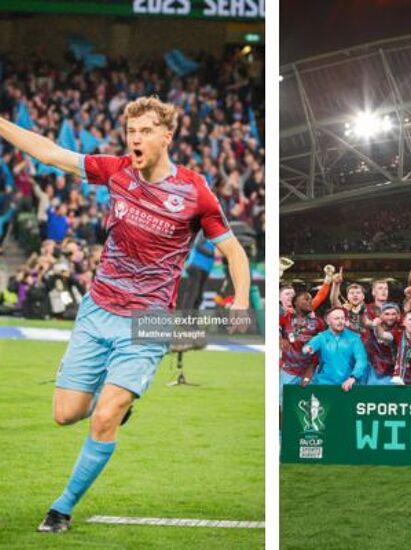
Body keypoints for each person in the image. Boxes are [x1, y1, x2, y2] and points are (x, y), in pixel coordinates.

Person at [0, 96, 251, 533]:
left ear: (166, 136)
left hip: (149, 322)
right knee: (65, 413)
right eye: (131, 131)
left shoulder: (195, 191)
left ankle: (61, 507)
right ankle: (114, 403)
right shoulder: (115, 171)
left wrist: (243, 303)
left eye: (145, 131)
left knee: (104, 416)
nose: (135, 139)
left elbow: (233, 251)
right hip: (98, 309)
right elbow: (50, 152)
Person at [302, 307, 369, 388]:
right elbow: (308, 347)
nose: (340, 321)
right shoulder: (321, 337)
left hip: (348, 384)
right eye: (336, 318)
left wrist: (353, 377)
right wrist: (307, 349)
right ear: (328, 321)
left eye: (342, 318)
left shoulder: (354, 338)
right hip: (324, 384)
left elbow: (361, 360)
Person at [279, 291, 326, 401]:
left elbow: (320, 351)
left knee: (308, 405)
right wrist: (280, 340)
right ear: (295, 302)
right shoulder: (285, 318)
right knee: (282, 405)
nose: (310, 302)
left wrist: (309, 372)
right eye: (306, 299)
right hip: (288, 371)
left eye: (310, 299)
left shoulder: (319, 323)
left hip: (310, 372)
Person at [364, 303, 402, 385]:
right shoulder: (373, 324)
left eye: (393, 314)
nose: (390, 317)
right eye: (387, 314)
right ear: (381, 315)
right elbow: (364, 321)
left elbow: (381, 335)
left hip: (392, 370)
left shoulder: (400, 328)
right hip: (374, 369)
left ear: (398, 316)